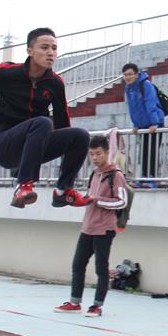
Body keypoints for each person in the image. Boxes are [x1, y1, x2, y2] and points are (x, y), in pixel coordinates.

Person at [0, 27, 90, 209]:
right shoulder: (9, 73)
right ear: (30, 51)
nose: (50, 53)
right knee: (43, 122)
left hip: (36, 146)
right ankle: (23, 186)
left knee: (80, 136)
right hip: (5, 146)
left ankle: (63, 192)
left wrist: (69, 154)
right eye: (44, 47)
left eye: (54, 48)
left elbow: (63, 122)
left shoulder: (55, 83)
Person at [54, 135, 127, 317]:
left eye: (98, 153)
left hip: (105, 229)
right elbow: (90, 198)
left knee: (101, 269)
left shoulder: (116, 175)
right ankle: (75, 302)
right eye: (91, 154)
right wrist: (80, 200)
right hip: (88, 226)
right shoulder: (94, 174)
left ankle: (97, 306)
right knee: (77, 265)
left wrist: (96, 200)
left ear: (107, 152)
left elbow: (122, 202)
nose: (94, 158)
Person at [121, 63, 165, 186]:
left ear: (136, 74)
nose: (127, 77)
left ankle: (152, 179)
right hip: (143, 126)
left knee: (152, 151)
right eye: (125, 75)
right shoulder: (128, 88)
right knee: (144, 152)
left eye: (130, 74)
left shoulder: (146, 85)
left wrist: (154, 123)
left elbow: (151, 103)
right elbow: (132, 108)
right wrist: (136, 124)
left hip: (155, 123)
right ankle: (145, 177)